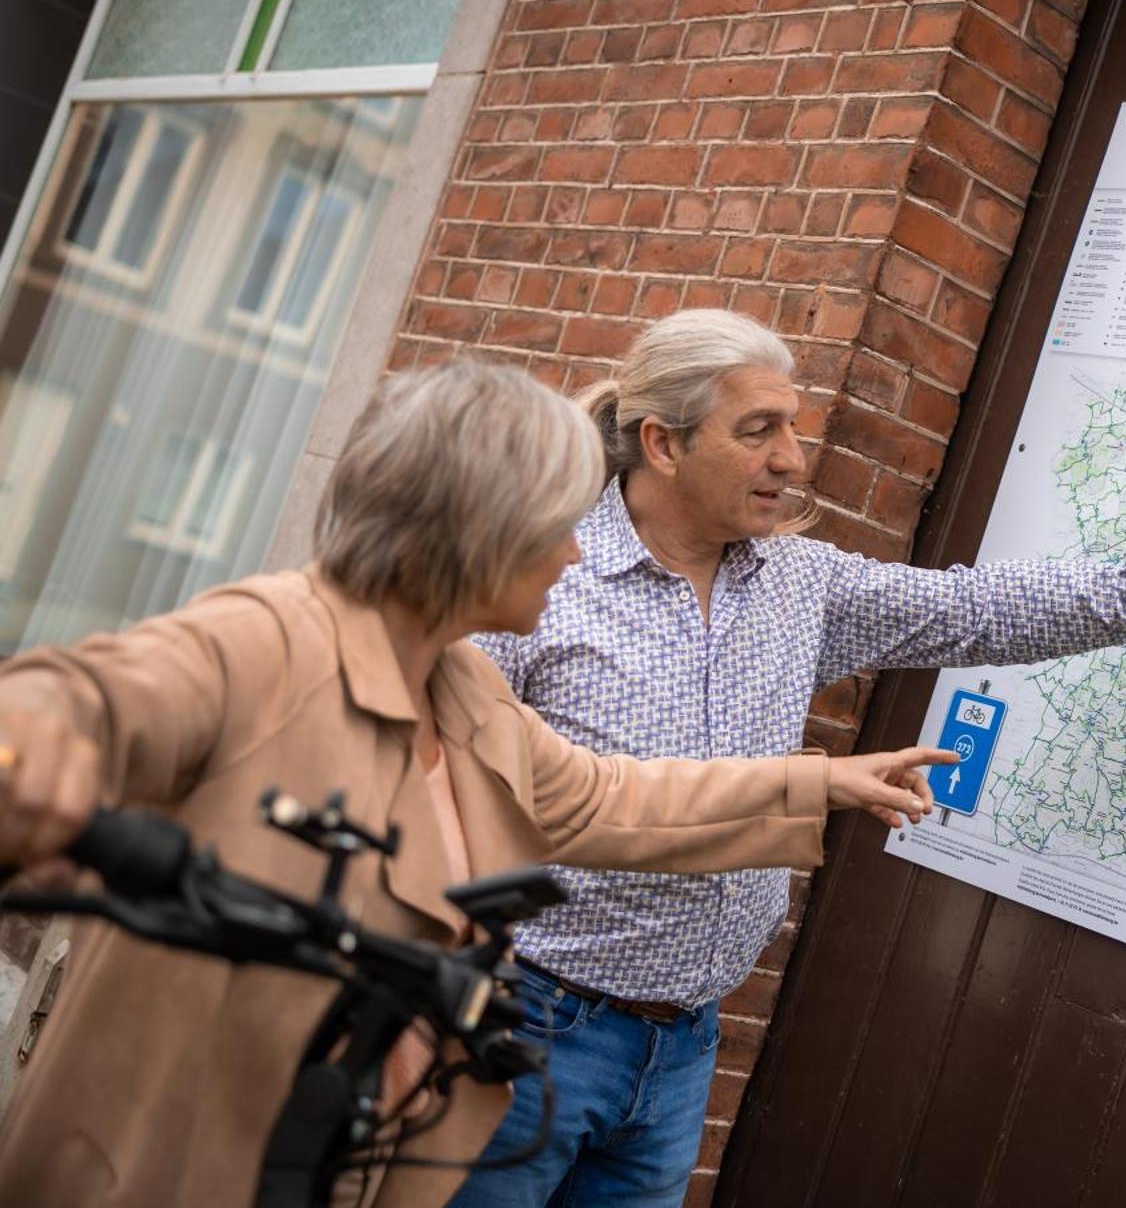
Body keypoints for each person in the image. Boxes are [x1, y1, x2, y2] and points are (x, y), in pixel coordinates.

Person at [451, 309, 1126, 1207]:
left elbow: (993, 609)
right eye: (759, 429)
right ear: (663, 443)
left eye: (795, 427)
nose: (792, 458)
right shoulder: (544, 581)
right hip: (534, 1024)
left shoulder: (799, 584)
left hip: (683, 1046)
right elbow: (469, 805)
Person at [0, 361, 946, 1208]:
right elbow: (76, 700)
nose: (577, 552)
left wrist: (821, 782)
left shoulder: (463, 689)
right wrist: (32, 752)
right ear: (475, 524)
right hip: (167, 1164)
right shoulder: (273, 639)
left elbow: (611, 798)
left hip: (336, 1160)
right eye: (555, 525)